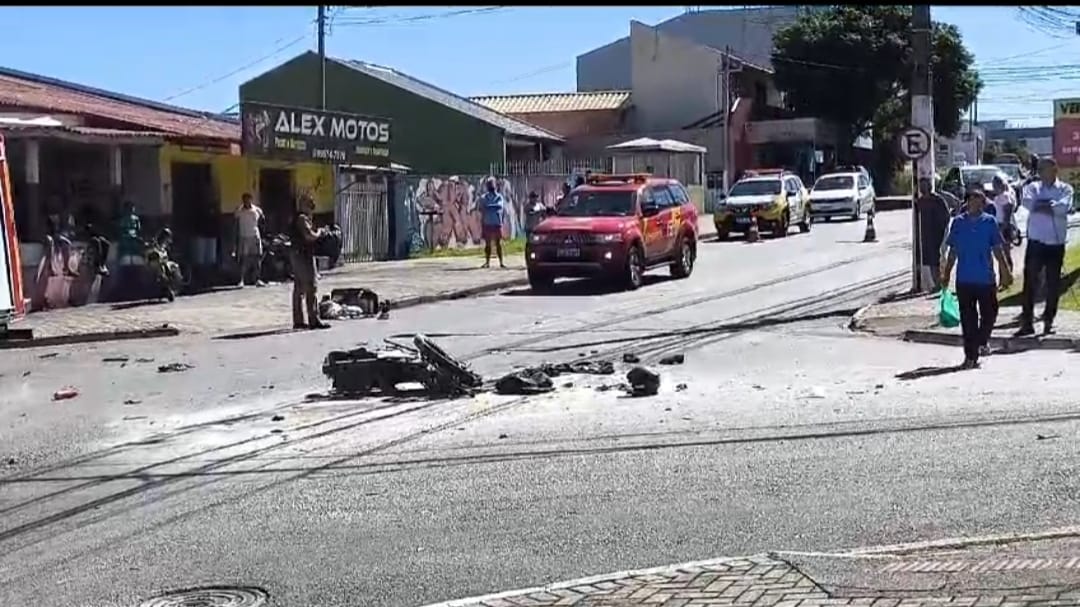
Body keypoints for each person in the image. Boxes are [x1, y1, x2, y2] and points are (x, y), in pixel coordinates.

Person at [940, 188, 1013, 369]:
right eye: (974, 199)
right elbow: (953, 251)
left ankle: (981, 340)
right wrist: (946, 273)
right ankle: (970, 356)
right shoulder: (958, 223)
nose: (978, 203)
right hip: (965, 279)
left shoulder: (989, 222)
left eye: (981, 200)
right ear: (967, 202)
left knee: (990, 313)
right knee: (968, 320)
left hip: (986, 279)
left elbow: (997, 249)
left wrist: (1005, 271)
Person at [1017, 157, 1074, 336]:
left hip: (1055, 244)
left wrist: (1043, 206)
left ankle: (1048, 320)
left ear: (1054, 170)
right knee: (1030, 283)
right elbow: (1028, 203)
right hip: (1036, 242)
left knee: (1053, 283)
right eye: (1039, 169)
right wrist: (1048, 206)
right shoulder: (1033, 187)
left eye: (1044, 168)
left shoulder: (1065, 189)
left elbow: (1063, 208)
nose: (1040, 172)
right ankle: (1027, 323)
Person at [289, 195, 329, 330]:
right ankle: (314, 319)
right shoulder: (302, 219)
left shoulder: (300, 218)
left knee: (299, 288)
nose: (313, 205)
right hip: (304, 255)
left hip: (297, 254)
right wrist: (320, 233)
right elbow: (309, 236)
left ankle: (298, 320)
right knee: (311, 286)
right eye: (310, 203)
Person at [915, 177, 952, 292]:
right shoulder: (920, 202)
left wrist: (943, 229)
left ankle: (942, 283)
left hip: (938, 234)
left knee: (939, 260)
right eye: (921, 186)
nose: (922, 188)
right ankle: (936, 284)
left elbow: (946, 216)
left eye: (924, 185)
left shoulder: (937, 200)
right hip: (926, 235)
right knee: (930, 261)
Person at [235, 193, 266, 287]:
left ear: (251, 200)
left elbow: (262, 221)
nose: (246, 202)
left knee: (257, 258)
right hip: (244, 236)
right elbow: (235, 224)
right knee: (243, 258)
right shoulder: (239, 211)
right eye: (245, 200)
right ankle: (241, 280)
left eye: (248, 199)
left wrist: (261, 233)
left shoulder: (257, 210)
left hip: (255, 236)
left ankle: (258, 279)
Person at [989, 175, 1017, 266]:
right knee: (1002, 253)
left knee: (1005, 253)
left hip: (1004, 226)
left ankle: (1008, 273)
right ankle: (1004, 274)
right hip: (1000, 224)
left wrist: (1004, 227)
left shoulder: (1005, 196)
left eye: (994, 185)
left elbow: (1007, 211)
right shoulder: (999, 197)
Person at [479, 177, 506, 269]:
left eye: (492, 184)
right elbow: (482, 207)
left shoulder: (499, 196)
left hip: (497, 222)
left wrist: (489, 206)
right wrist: (492, 207)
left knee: (498, 243)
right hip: (487, 222)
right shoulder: (484, 197)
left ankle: (501, 262)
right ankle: (487, 262)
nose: (491, 186)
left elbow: (499, 206)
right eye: (489, 184)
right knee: (487, 244)